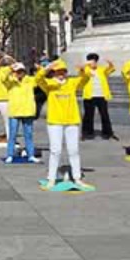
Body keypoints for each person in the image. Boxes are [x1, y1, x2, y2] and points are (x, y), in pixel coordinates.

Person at [36, 59, 93, 190]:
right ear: (54, 73)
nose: (61, 74)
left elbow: (85, 79)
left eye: (63, 71)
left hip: (72, 121)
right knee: (55, 151)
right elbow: (38, 79)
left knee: (74, 151)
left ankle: (77, 177)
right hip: (55, 122)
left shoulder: (72, 83)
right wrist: (47, 68)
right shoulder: (49, 84)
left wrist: (83, 68)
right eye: (58, 72)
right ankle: (51, 178)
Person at [3, 62, 39, 163]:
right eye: (16, 72)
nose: (19, 74)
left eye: (21, 71)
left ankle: (30, 154)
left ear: (24, 72)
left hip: (27, 111)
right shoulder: (11, 82)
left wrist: (40, 68)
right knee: (12, 135)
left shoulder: (30, 80)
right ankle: (10, 154)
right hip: (14, 111)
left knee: (29, 134)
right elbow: (3, 78)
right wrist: (9, 68)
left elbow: (40, 78)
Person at [81, 53, 116, 140]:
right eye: (91, 61)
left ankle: (107, 132)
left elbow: (111, 69)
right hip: (89, 96)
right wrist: (86, 64)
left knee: (104, 114)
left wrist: (110, 63)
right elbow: (80, 70)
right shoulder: (86, 70)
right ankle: (87, 133)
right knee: (88, 115)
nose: (93, 63)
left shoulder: (101, 70)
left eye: (95, 61)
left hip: (101, 95)